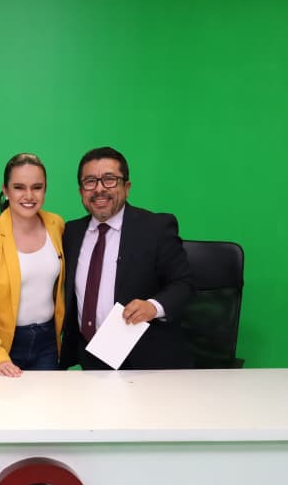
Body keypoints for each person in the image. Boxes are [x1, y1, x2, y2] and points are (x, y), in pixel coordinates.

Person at [60, 146, 193, 370]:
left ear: (127, 187)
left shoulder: (155, 228)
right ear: (81, 191)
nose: (99, 189)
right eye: (90, 181)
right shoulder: (71, 233)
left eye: (109, 179)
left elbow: (184, 284)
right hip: (89, 360)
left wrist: (153, 307)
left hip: (146, 362)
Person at [0, 153, 65, 376]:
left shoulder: (56, 225)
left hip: (47, 342)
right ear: (6, 191)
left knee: (46, 399)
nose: (29, 195)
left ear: (45, 189)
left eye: (37, 187)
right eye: (19, 187)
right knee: (1, 400)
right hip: (1, 343)